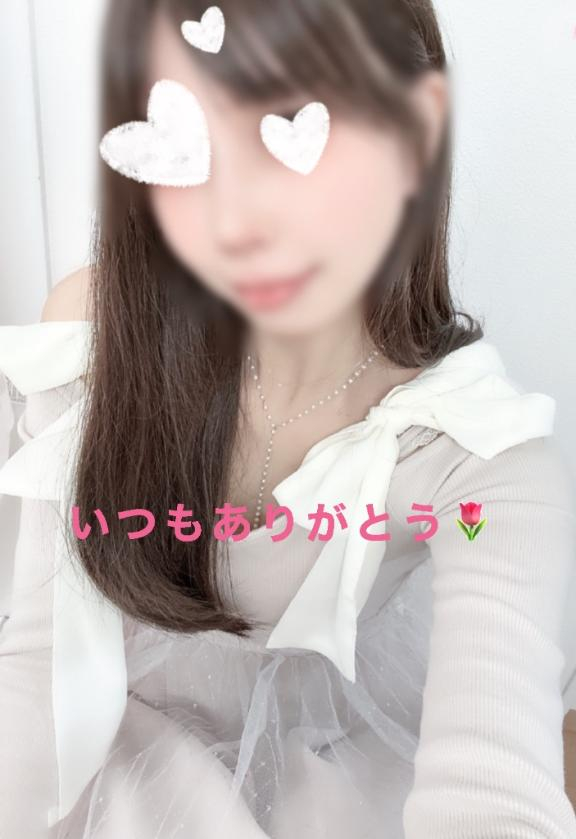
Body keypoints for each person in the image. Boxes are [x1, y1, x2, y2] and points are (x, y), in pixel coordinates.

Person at [1, 1, 575, 837]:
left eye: (298, 129)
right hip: (118, 746)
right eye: (190, 140)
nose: (239, 220)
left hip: (337, 761)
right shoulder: (90, 339)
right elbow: (36, 659)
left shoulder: (476, 459)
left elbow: (494, 793)